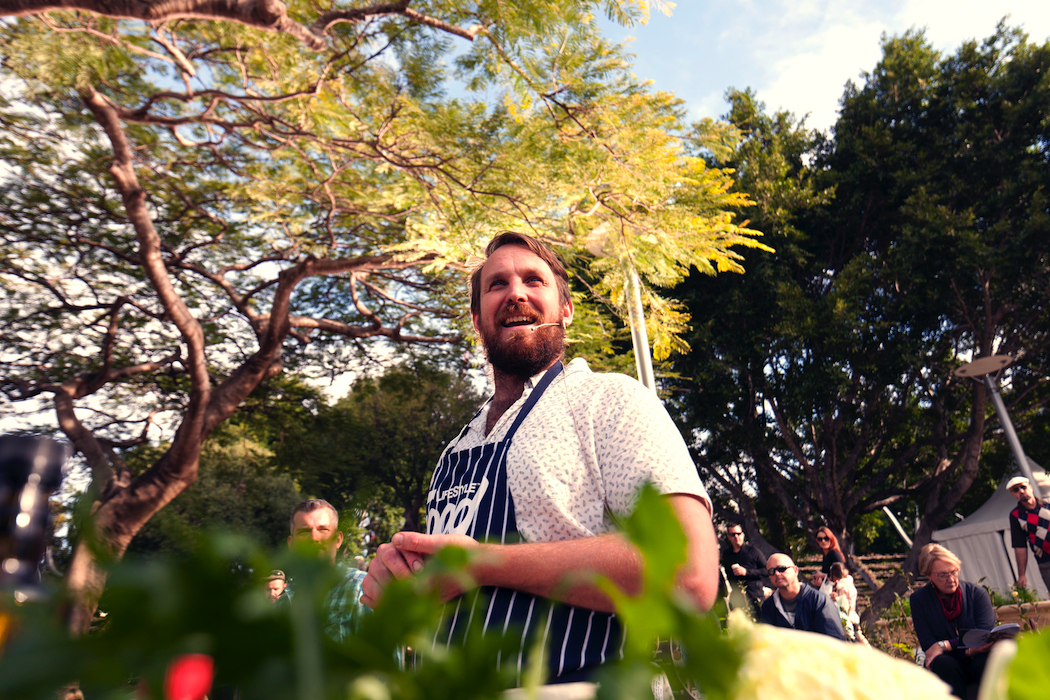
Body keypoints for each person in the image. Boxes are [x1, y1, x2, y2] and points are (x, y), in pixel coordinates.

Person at [361, 232, 718, 685]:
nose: (515, 292)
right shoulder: (455, 451)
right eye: (497, 285)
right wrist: (399, 583)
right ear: (476, 318)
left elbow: (688, 574)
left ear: (565, 309)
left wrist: (484, 563)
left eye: (534, 279)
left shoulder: (607, 401)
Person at [910, 544, 996, 700]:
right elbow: (929, 645)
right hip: (947, 662)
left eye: (954, 572)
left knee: (985, 660)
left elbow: (984, 634)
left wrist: (945, 645)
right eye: (942, 575)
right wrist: (968, 650)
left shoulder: (977, 594)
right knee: (943, 663)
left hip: (978, 657)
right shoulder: (919, 600)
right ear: (929, 575)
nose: (951, 580)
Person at [288, 499, 371, 641]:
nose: (314, 538)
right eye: (304, 532)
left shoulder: (361, 587)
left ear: (338, 540)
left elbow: (383, 660)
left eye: (323, 530)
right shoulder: (284, 601)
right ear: (291, 544)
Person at [759, 553, 845, 639]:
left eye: (781, 569)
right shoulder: (769, 607)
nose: (777, 573)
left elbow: (836, 642)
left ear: (796, 570)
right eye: (771, 571)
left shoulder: (819, 601)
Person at [1006, 475, 1050, 592]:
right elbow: (1020, 546)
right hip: (1046, 562)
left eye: (1023, 487)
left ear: (1030, 487)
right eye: (1016, 490)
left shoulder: (1048, 503)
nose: (1021, 491)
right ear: (1013, 494)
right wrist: (1021, 575)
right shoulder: (1016, 516)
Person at [722, 524, 767, 618]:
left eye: (738, 534)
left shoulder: (753, 551)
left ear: (743, 535)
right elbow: (727, 574)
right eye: (733, 534)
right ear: (728, 537)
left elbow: (766, 570)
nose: (736, 537)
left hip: (755, 596)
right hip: (738, 598)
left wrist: (747, 572)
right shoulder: (726, 554)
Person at [827, 562, 865, 644]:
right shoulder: (849, 584)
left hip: (846, 619)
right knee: (861, 639)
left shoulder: (842, 588)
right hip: (853, 616)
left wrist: (835, 599)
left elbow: (843, 605)